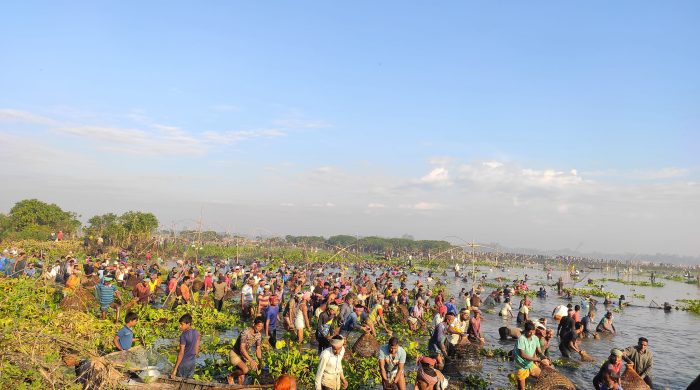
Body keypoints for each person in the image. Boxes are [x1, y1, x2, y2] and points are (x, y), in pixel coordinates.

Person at [228, 316, 264, 385]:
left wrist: (260, 361)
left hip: (242, 356)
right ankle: (230, 376)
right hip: (235, 354)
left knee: (242, 378)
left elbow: (258, 349)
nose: (260, 329)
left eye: (261, 327)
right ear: (254, 324)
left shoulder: (258, 335)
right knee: (245, 369)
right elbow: (242, 349)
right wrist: (251, 360)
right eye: (258, 326)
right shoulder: (245, 333)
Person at [512, 321, 544, 390]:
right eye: (530, 332)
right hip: (521, 365)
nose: (532, 333)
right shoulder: (521, 339)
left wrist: (543, 357)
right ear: (526, 331)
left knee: (542, 377)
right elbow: (522, 355)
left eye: (533, 331)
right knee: (521, 388)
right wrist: (536, 360)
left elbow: (539, 351)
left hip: (530, 364)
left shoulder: (535, 338)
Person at [171, 314, 200, 379]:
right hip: (192, 362)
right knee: (189, 380)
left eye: (182, 324)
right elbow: (198, 342)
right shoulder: (196, 332)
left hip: (183, 363)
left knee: (180, 381)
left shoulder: (183, 336)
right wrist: (196, 353)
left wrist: (175, 369)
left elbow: (181, 353)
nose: (180, 326)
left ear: (188, 324)